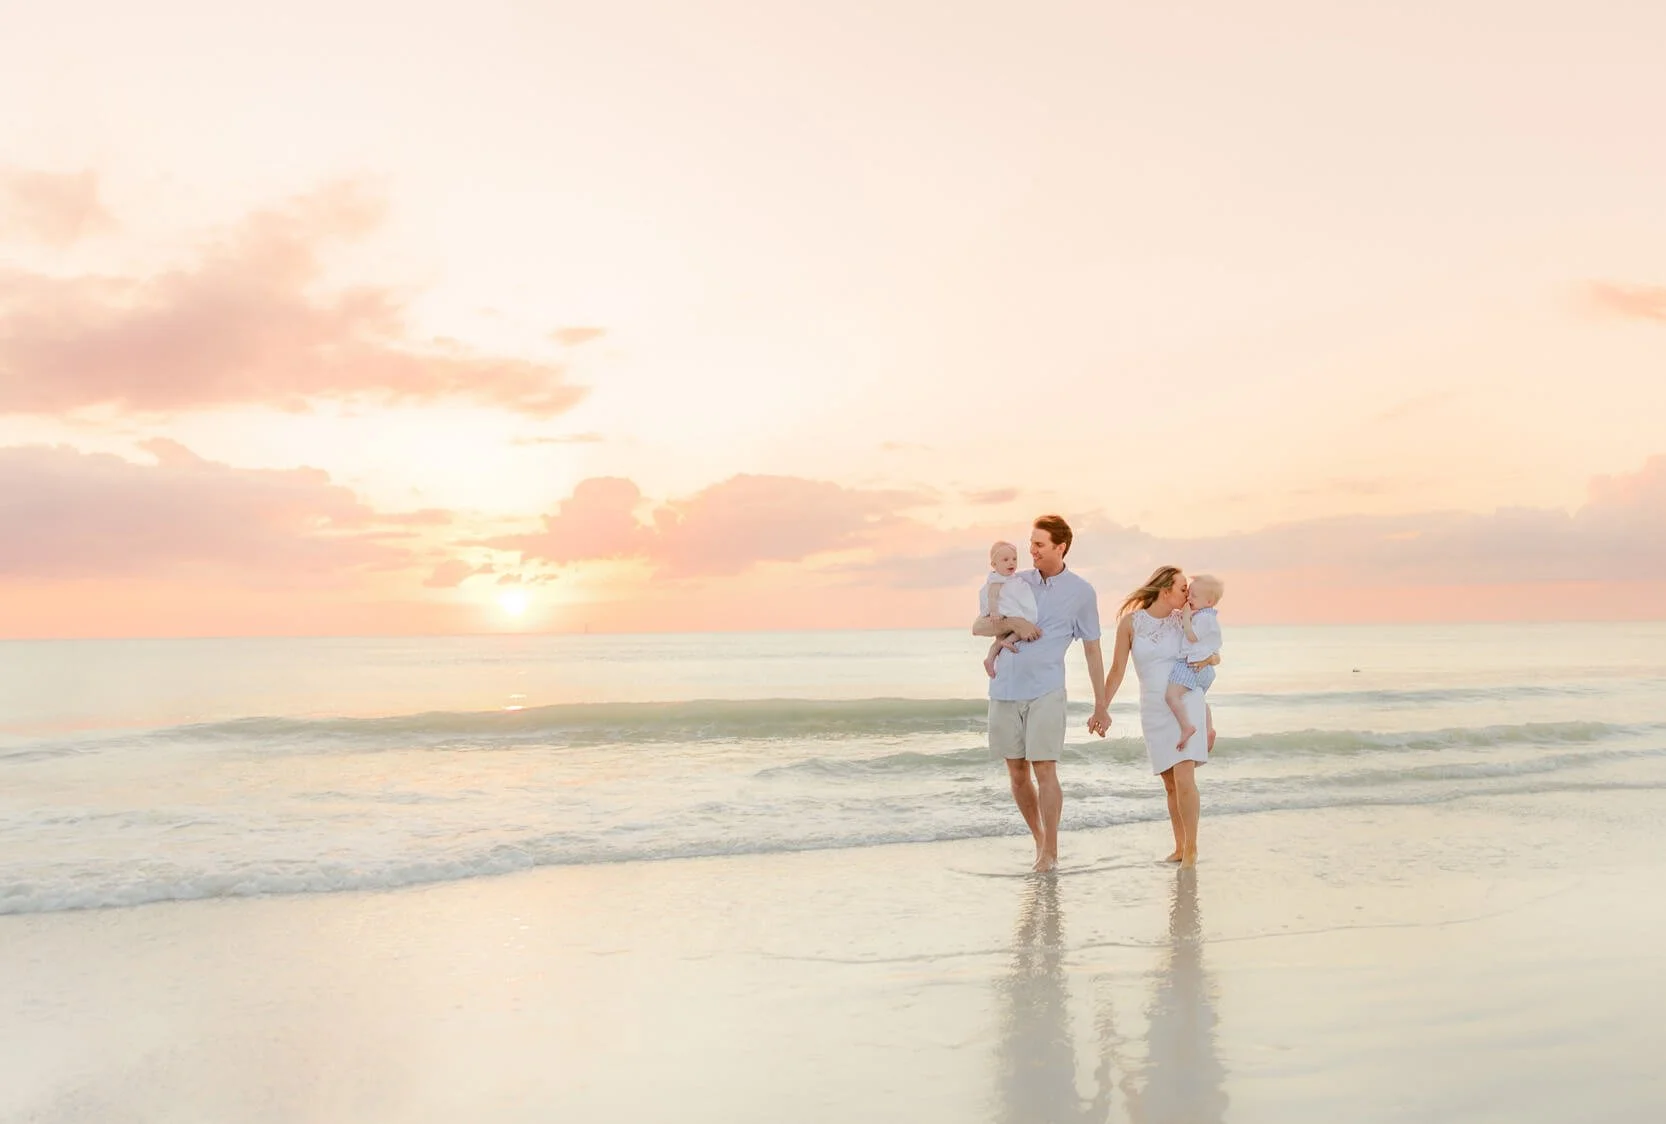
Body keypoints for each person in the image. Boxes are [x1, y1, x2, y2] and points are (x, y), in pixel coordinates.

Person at [973, 515, 1110, 873]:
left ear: (1060, 547)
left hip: (1046, 690)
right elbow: (981, 624)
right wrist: (1015, 623)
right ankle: (1038, 839)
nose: (1030, 551)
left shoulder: (1081, 592)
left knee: (1044, 768)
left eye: (1039, 545)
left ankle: (1051, 850)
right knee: (1017, 773)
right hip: (1004, 688)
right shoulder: (1014, 581)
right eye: (1030, 543)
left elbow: (1092, 650)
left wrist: (1101, 703)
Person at [1102, 566, 1220, 867]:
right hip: (1153, 708)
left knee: (1183, 777)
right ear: (1165, 589)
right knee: (1169, 782)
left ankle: (1192, 848)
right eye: (1183, 588)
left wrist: (1208, 660)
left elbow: (1214, 651)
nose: (1188, 594)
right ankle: (1180, 846)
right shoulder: (1131, 623)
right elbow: (1117, 670)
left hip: (1184, 702)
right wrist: (1101, 706)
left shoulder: (1185, 621)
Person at [1163, 574, 1225, 750]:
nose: (1188, 598)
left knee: (1171, 696)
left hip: (1191, 666)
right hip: (1203, 668)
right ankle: (1209, 730)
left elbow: (1191, 636)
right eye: (1188, 593)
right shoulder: (1207, 617)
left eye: (1193, 596)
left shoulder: (1204, 618)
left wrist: (1185, 618)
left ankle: (1186, 727)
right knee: (1198, 699)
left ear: (1209, 601)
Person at [981, 540, 1038, 678]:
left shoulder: (1011, 578)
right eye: (1005, 560)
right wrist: (994, 611)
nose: (1011, 563)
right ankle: (1005, 644)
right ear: (994, 565)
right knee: (1025, 624)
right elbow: (992, 596)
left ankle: (990, 659)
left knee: (1002, 638)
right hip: (1003, 612)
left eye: (1014, 559)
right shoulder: (996, 579)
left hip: (1008, 611)